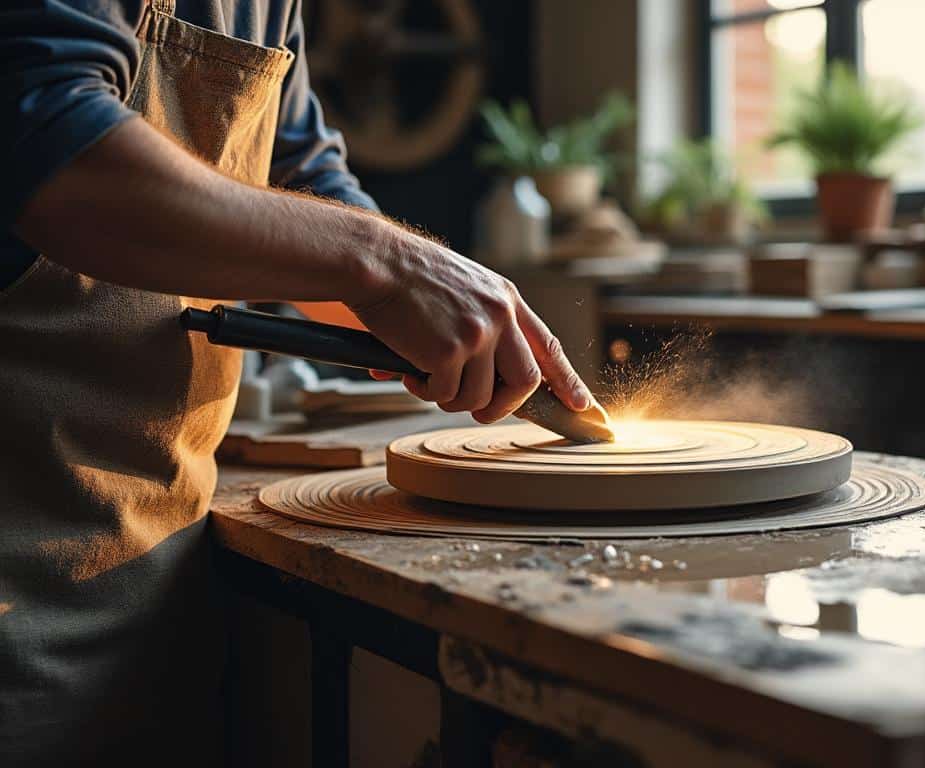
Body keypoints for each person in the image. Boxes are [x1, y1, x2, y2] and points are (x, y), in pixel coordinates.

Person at [1, 1, 592, 763]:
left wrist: (424, 300)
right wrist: (387, 264)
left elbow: (304, 174)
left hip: (146, 581)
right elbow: (51, 150)